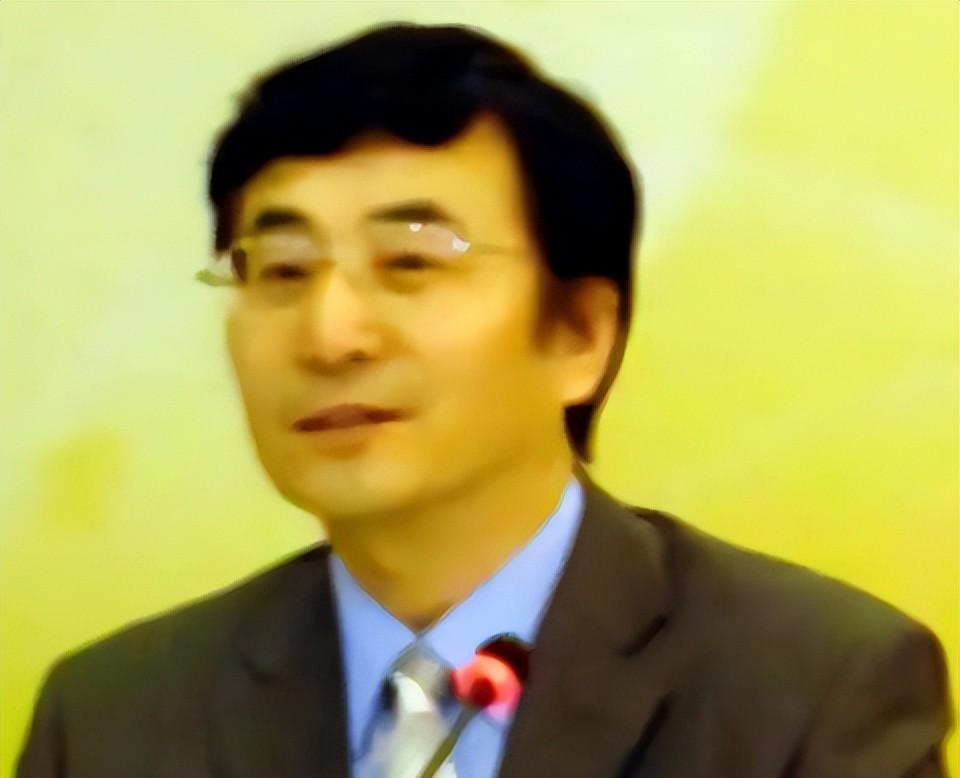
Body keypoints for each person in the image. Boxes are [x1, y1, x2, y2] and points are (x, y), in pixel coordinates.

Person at [16, 22, 953, 778]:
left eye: (411, 262)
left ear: (579, 333)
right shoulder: (111, 719)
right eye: (283, 269)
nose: (330, 334)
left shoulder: (815, 691)